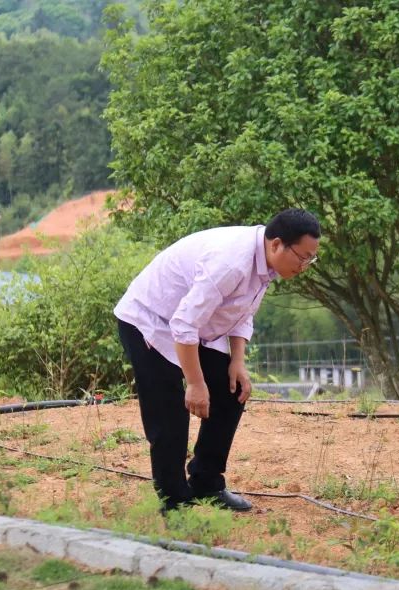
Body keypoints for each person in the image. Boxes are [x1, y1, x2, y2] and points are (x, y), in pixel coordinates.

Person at [115, 209, 321, 512]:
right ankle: (175, 502)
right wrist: (196, 384)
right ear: (277, 244)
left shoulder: (266, 262)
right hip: (150, 319)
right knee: (170, 412)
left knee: (231, 389)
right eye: (302, 257)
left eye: (311, 259)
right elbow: (183, 325)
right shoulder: (231, 262)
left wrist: (237, 361)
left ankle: (206, 483)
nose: (305, 266)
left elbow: (241, 312)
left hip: (193, 326)